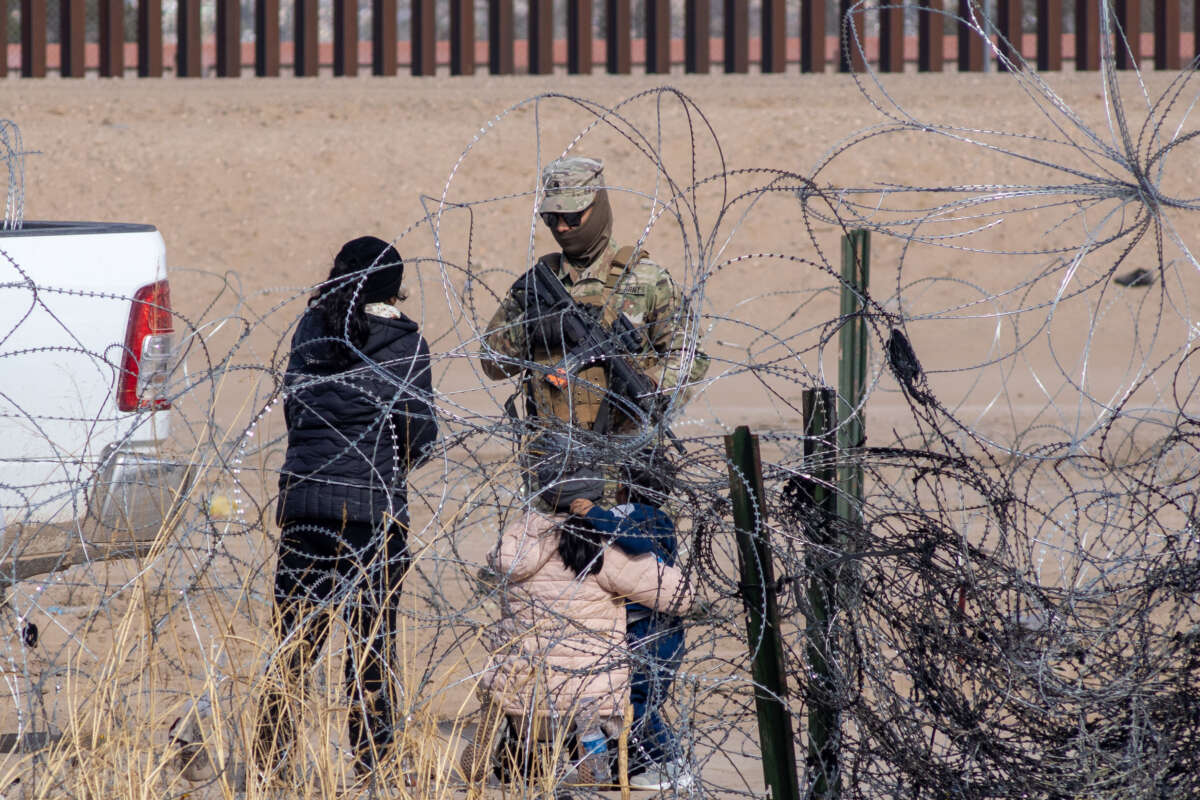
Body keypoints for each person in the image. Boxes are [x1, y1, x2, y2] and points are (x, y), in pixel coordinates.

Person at [256, 235, 438, 787]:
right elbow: (419, 434)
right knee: (370, 650)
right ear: (393, 286)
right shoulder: (406, 341)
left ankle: (272, 764)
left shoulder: (312, 330)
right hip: (372, 516)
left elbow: (295, 408)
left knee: (293, 645)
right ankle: (372, 766)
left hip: (305, 507)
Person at [460, 467, 694, 791]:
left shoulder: (520, 537)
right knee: (593, 705)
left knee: (517, 697)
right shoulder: (599, 547)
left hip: (521, 680)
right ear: (594, 496)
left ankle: (509, 751)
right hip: (587, 686)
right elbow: (679, 597)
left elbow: (493, 568)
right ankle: (594, 759)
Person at [480, 155, 710, 440]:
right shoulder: (536, 286)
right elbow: (491, 363)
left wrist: (651, 383)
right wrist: (530, 327)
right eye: (552, 218)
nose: (562, 227)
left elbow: (691, 358)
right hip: (554, 458)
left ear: (598, 208)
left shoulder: (647, 280)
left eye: (573, 217)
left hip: (627, 455)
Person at [569, 481, 689, 791]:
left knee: (640, 701)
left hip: (652, 629)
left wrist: (597, 514)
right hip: (653, 629)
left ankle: (672, 764)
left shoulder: (640, 515)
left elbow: (636, 543)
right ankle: (641, 764)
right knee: (635, 700)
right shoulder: (657, 518)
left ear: (624, 489)